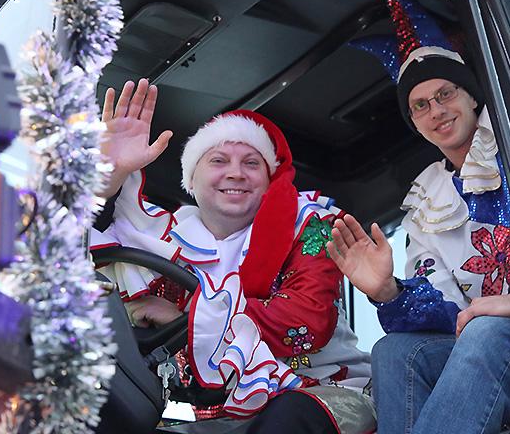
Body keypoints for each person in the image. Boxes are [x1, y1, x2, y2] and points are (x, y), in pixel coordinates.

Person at [89, 79, 374, 434]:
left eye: (252, 163)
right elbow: (74, 254)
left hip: (325, 393)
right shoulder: (165, 240)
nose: (235, 173)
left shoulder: (310, 224)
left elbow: (306, 320)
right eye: (218, 160)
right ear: (192, 180)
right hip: (221, 419)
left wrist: (188, 316)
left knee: (285, 420)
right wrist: (110, 178)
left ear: (269, 180)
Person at [327, 0, 510, 434]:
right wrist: (388, 291)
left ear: (471, 96)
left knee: (486, 330)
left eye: (445, 94)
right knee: (393, 351)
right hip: (480, 344)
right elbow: (447, 314)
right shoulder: (427, 201)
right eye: (420, 105)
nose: (436, 111)